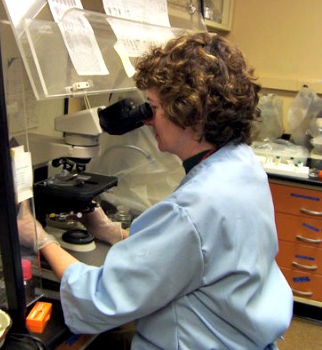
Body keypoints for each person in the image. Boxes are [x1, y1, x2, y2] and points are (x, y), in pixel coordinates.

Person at [18, 31, 293, 349]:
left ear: (189, 115)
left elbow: (99, 297)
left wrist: (42, 239)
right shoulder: (242, 165)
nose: (147, 121)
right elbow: (205, 253)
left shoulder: (192, 209)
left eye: (153, 108)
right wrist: (112, 232)